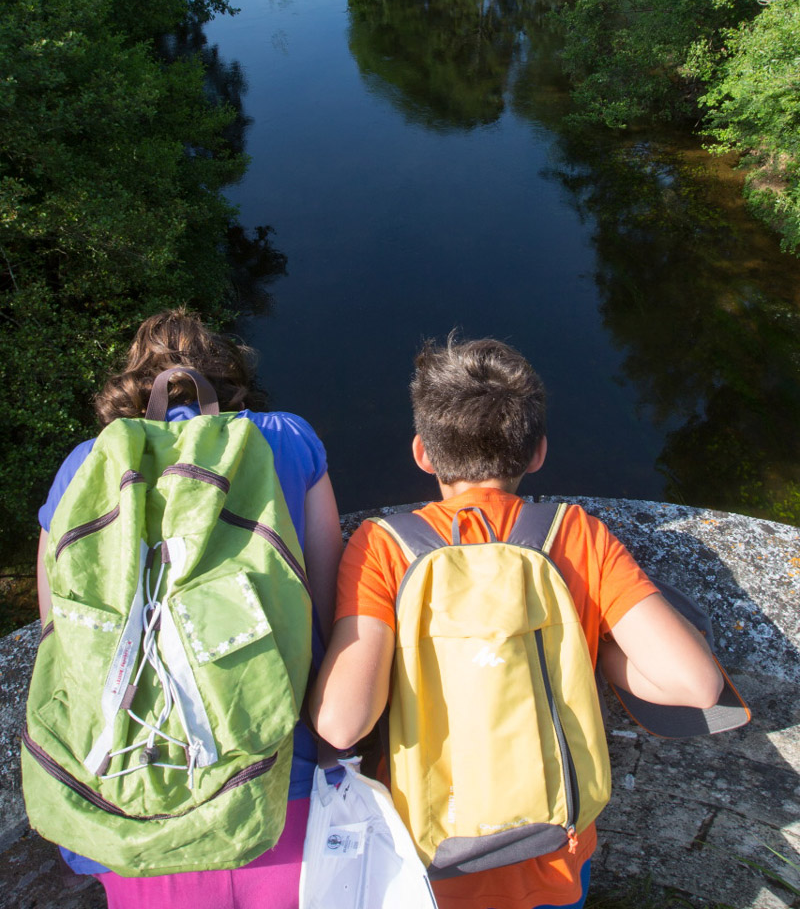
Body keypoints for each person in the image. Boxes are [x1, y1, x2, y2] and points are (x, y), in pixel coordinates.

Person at [310, 335, 723, 909]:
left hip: (425, 862)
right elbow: (696, 685)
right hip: (554, 854)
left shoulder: (383, 546)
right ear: (538, 454)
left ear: (423, 454)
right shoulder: (576, 534)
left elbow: (342, 722)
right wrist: (593, 650)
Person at [35, 308, 343, 909]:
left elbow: (60, 634)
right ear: (230, 379)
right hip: (280, 779)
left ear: (128, 386)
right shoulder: (284, 437)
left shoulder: (83, 465)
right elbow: (324, 607)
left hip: (133, 798)